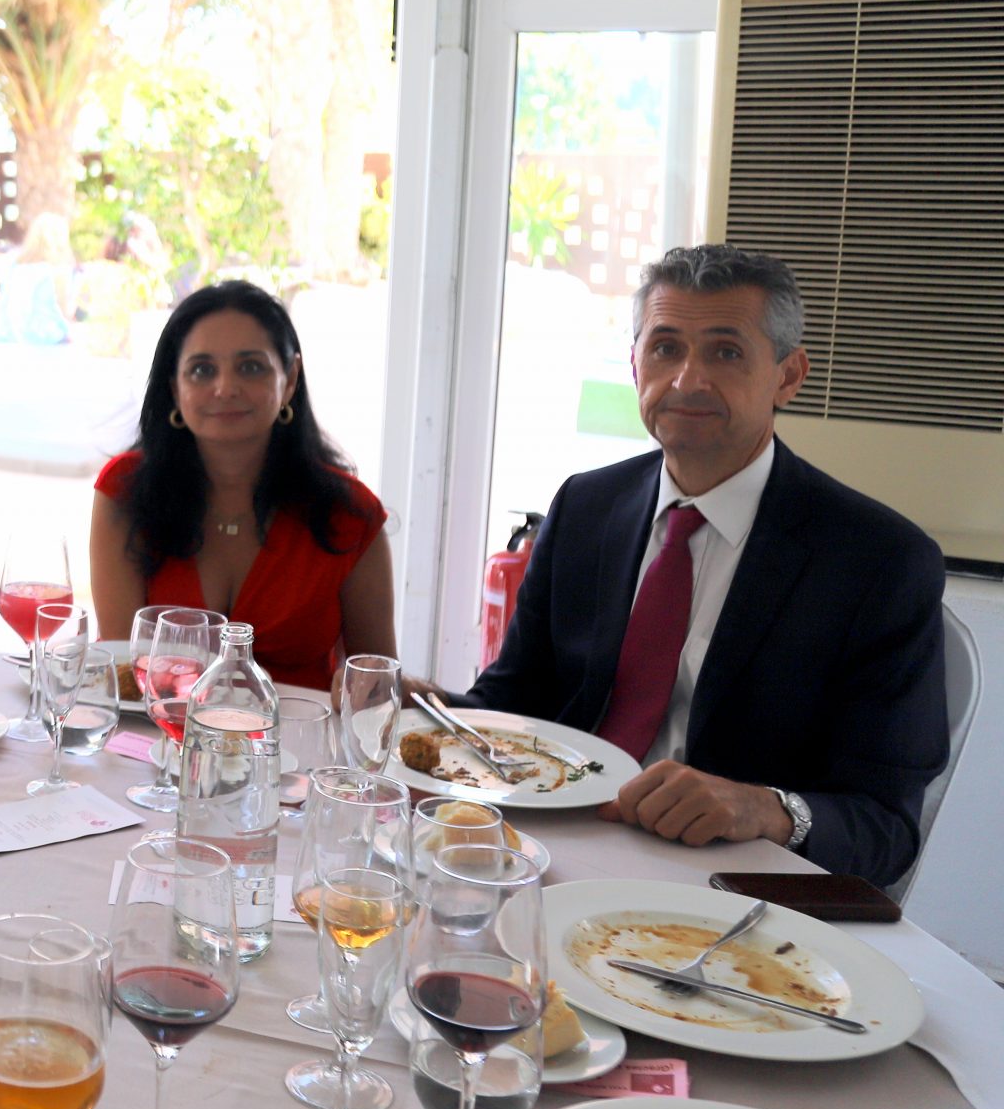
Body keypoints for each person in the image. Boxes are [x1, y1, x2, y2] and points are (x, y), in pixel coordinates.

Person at [466, 245, 946, 887]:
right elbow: (508, 702)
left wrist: (765, 808)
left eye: (725, 352)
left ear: (789, 376)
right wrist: (424, 709)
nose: (687, 380)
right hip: (552, 849)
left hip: (728, 888)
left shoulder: (878, 562)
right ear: (635, 364)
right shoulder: (586, 506)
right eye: (665, 348)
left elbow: (886, 827)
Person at [88, 279, 395, 690]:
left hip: (299, 732)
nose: (225, 388)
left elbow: (376, 687)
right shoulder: (124, 492)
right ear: (174, 388)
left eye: (250, 367)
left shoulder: (352, 515)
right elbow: (126, 677)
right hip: (153, 729)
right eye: (202, 370)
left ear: (289, 379)